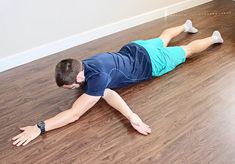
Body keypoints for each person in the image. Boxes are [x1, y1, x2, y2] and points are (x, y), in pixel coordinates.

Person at [12, 20, 223, 146]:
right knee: (163, 37)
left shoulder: (98, 79)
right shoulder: (84, 65)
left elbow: (75, 114)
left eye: (71, 87)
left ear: (79, 77)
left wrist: (40, 128)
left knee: (186, 51)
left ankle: (214, 39)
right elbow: (109, 93)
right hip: (136, 48)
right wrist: (131, 115)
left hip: (151, 62)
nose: (72, 90)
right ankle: (186, 24)